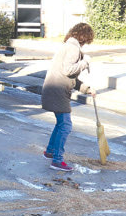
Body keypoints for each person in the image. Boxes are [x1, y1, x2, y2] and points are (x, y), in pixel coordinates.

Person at [41, 22, 96, 172]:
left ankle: (50, 152)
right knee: (65, 125)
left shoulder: (68, 45)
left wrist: (87, 89)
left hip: (54, 89)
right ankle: (57, 160)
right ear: (84, 36)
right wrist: (85, 63)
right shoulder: (73, 48)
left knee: (60, 124)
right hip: (58, 91)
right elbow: (68, 70)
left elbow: (71, 77)